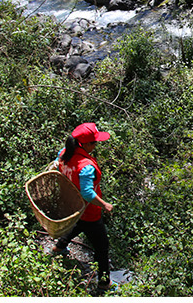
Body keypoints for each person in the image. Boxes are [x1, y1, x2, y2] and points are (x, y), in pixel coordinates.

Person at [52, 123, 114, 293]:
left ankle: (59, 247)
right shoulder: (85, 166)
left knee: (77, 224)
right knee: (102, 247)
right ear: (84, 144)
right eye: (94, 143)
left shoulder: (63, 154)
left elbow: (58, 165)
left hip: (71, 205)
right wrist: (104, 204)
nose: (96, 146)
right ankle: (103, 283)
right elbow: (87, 193)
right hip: (89, 210)